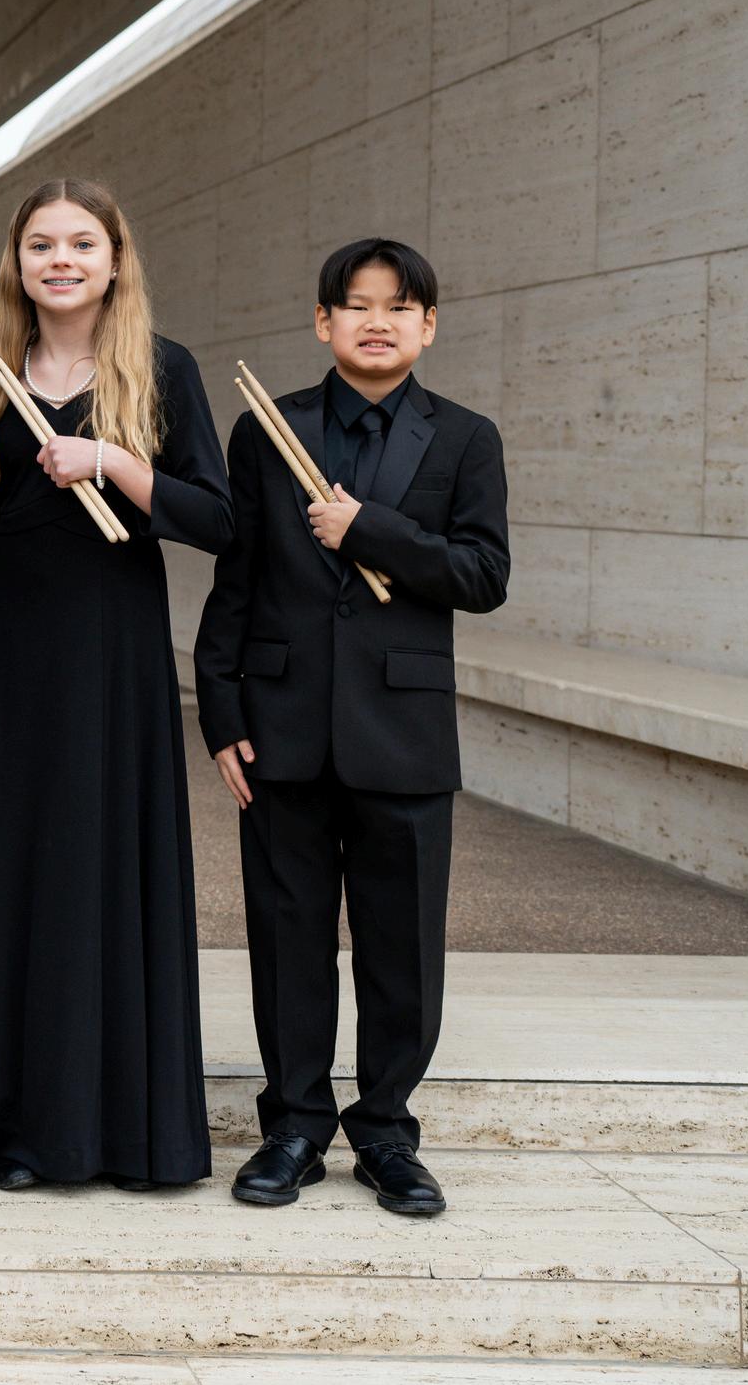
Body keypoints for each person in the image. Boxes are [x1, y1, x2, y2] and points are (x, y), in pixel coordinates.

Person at [194, 236, 509, 1218]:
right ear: (322, 320)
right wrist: (221, 711)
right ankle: (292, 1127)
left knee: (400, 947)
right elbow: (236, 581)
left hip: (403, 732)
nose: (378, 322)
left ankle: (384, 1133)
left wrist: (368, 528)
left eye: (399, 307)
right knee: (287, 937)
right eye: (357, 305)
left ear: (429, 325)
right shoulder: (267, 428)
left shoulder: (465, 439)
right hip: (280, 726)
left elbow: (482, 575)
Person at [0, 179, 232, 1192]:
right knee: (13, 880)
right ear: (17, 262)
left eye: (80, 244)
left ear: (113, 260)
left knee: (106, 870)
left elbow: (216, 518)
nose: (59, 260)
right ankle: (19, 1132)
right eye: (40, 244)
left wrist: (109, 459)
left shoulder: (162, 368)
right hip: (10, 660)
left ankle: (122, 1135)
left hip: (113, 658)